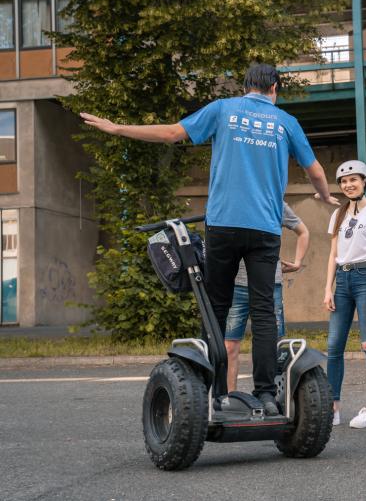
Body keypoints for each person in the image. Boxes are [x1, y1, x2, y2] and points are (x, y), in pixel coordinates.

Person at [81, 63, 337, 415]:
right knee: (264, 311)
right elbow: (316, 172)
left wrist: (118, 128)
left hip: (223, 225)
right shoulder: (286, 122)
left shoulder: (223, 109)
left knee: (216, 306)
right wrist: (323, 197)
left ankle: (213, 393)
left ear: (246, 85)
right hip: (264, 228)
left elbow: (172, 133)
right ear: (275, 88)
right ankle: (265, 393)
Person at [324, 160, 366, 428]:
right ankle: (333, 406)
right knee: (333, 347)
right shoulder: (338, 214)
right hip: (342, 279)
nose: (348, 184)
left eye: (354, 179)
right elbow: (333, 254)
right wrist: (327, 287)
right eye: (343, 181)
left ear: (365, 182)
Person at [224, 201, 309, 392]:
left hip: (270, 284)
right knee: (229, 345)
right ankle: (230, 398)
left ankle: (272, 397)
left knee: (273, 345)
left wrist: (297, 262)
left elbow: (303, 232)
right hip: (236, 284)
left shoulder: (275, 203)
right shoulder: (232, 200)